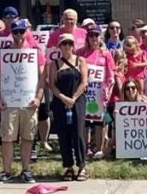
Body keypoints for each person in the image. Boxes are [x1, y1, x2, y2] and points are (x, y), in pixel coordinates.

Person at [0, 19, 45, 183]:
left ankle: (26, 170)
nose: (18, 35)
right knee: (7, 138)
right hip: (9, 102)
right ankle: (7, 171)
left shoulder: (35, 52)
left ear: (26, 32)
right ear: (11, 33)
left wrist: (38, 98)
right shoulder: (4, 53)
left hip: (29, 102)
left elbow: (42, 77)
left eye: (21, 31)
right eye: (15, 32)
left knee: (28, 137)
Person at [48, 32, 89, 180]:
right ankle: (68, 166)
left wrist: (73, 98)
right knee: (63, 134)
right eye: (64, 44)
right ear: (59, 46)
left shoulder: (80, 60)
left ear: (73, 45)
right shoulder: (55, 63)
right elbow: (52, 85)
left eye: (69, 43)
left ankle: (82, 166)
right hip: (60, 102)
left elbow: (84, 82)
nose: (67, 47)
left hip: (77, 101)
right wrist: (63, 98)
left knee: (77, 133)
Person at [77, 27, 115, 159]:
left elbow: (111, 76)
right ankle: (85, 148)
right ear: (88, 37)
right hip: (84, 92)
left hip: (99, 93)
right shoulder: (81, 53)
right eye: (91, 35)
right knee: (85, 121)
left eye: (96, 35)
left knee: (99, 122)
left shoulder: (106, 54)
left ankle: (99, 149)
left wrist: (108, 92)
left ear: (100, 37)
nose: (94, 38)